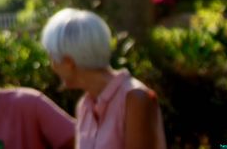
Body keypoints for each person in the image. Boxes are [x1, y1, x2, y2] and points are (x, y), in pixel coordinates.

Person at [41, 8, 167, 149]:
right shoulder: (84, 106)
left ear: (68, 61)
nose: (52, 66)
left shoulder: (134, 98)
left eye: (52, 58)